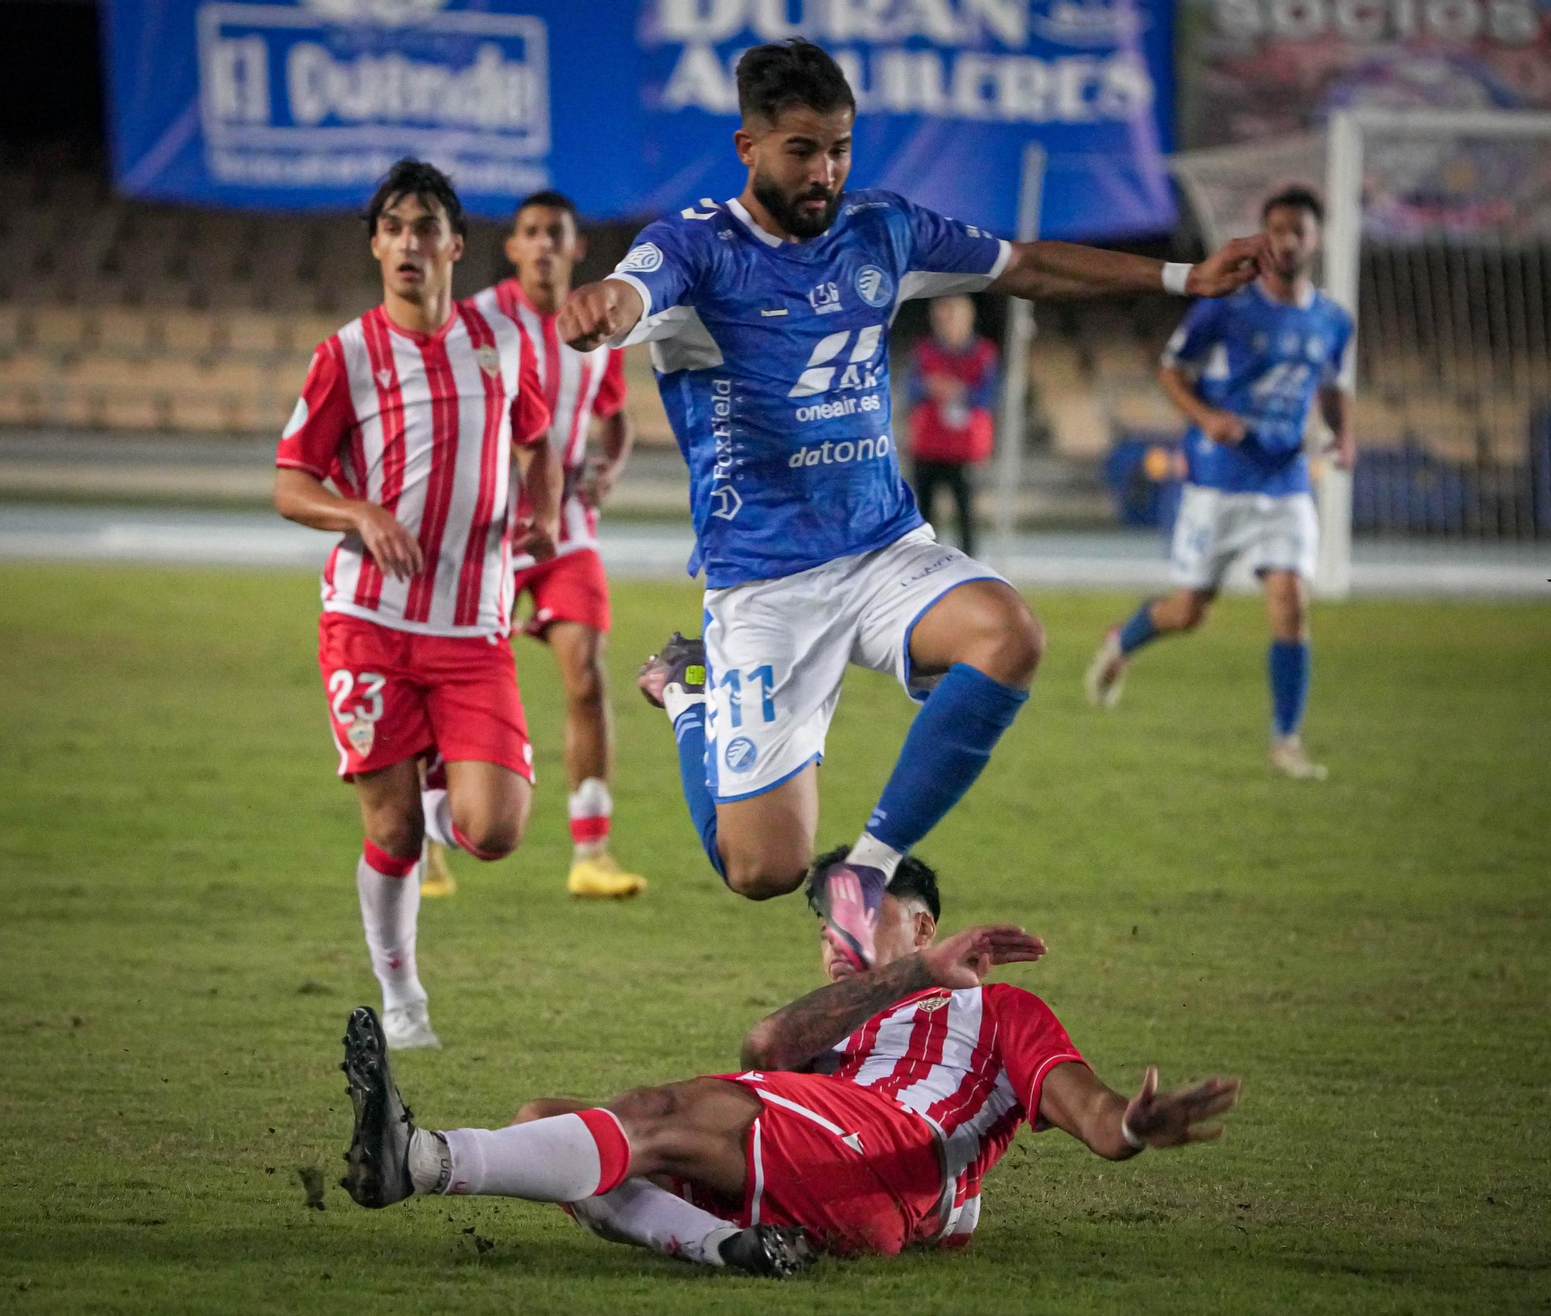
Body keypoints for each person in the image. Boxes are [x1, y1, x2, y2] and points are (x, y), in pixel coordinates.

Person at [555, 38, 1267, 968]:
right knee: (762, 868)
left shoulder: (881, 230)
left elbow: (1025, 266)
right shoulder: (696, 248)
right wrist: (603, 305)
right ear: (749, 147)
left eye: (841, 148)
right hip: (766, 584)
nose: (827, 172)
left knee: (1009, 633)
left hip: (884, 547)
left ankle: (870, 870)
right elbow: (632, 289)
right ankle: (693, 695)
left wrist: (1181, 278)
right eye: (803, 150)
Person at [337, 848, 1240, 1273]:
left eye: (858, 913)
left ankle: (422, 1160)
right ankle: (734, 1250)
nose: (833, 937)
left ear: (923, 928)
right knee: (547, 1122)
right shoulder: (839, 1026)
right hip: (812, 1174)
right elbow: (769, 1048)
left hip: (885, 1154)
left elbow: (1089, 1111)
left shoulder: (997, 1010)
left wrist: (1131, 1123)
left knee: (650, 1113)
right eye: (824, 922)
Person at [273, 159, 562, 1049]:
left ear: (455, 245)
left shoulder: (499, 346)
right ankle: (401, 995)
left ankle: (446, 784)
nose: (409, 241)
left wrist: (545, 512)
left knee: (497, 828)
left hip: (475, 628)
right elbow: (291, 482)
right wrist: (356, 510)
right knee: (392, 828)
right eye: (393, 226)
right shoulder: (347, 355)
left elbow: (539, 437)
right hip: (370, 623)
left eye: (425, 225)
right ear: (375, 246)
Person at [1085, 186, 1356, 781]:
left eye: (1299, 230)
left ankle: (1285, 740)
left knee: (1290, 604)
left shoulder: (1333, 320)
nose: (1287, 241)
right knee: (1188, 612)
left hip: (1284, 480)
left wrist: (1343, 433)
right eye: (1277, 229)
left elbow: (1333, 387)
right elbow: (1170, 370)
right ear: (1263, 237)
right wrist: (1207, 418)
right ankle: (1121, 641)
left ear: (1316, 240)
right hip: (1217, 480)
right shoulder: (1226, 307)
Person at [421, 191, 646, 902]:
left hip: (568, 530)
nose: (544, 244)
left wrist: (610, 466)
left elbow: (616, 416)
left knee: (587, 673)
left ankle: (592, 851)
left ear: (578, 248)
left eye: (556, 233)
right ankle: (427, 847)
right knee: (445, 680)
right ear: (513, 247)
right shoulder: (478, 320)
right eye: (530, 234)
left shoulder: (591, 329)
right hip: (485, 528)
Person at [907, 293, 999, 556]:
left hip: (964, 449)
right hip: (928, 446)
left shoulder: (983, 354)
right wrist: (930, 387)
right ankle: (925, 566)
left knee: (966, 514)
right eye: (940, 318)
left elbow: (988, 395)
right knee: (924, 516)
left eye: (951, 316)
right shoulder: (924, 351)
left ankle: (970, 568)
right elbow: (912, 390)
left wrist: (959, 392)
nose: (945, 323)